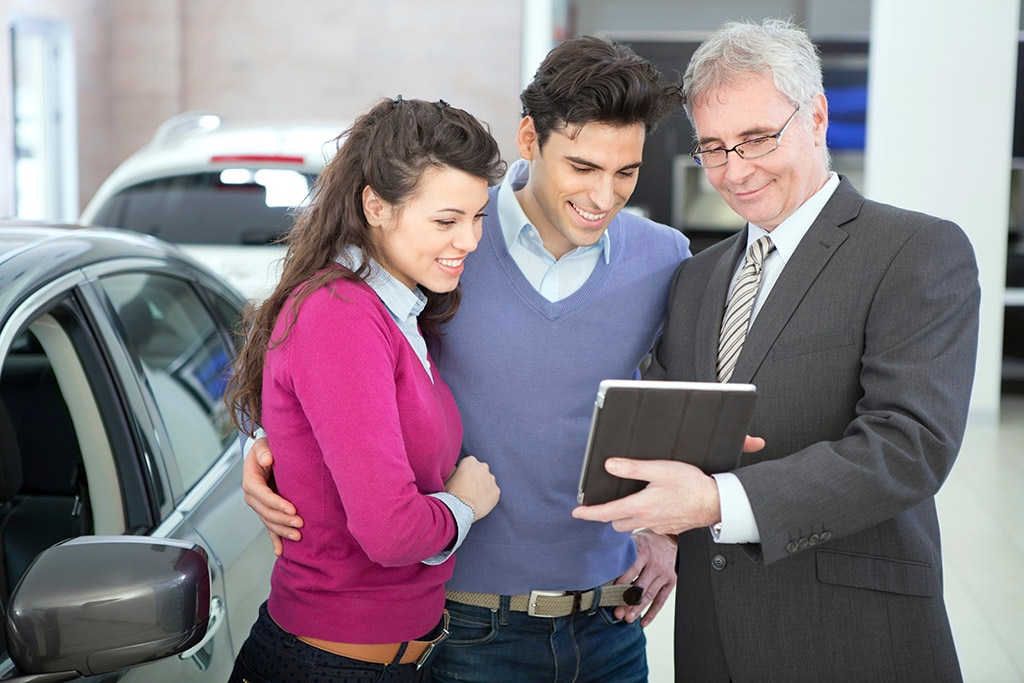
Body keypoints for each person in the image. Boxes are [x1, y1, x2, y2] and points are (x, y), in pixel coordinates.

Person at [243, 36, 693, 682]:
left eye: (626, 172)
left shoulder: (663, 259)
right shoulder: (439, 250)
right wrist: (264, 449)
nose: (604, 196)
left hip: (609, 625)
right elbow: (324, 364)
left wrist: (667, 532)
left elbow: (680, 408)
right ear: (531, 140)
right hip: (467, 628)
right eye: (584, 167)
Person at [572, 18, 979, 682]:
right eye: (714, 147)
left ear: (815, 116)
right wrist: (658, 526)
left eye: (757, 139)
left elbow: (909, 447)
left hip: (850, 634)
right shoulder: (697, 277)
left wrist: (714, 503)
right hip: (713, 637)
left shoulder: (914, 251)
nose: (735, 171)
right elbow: (677, 429)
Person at [224, 96, 505, 683]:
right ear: (376, 205)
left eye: (478, 217)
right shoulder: (339, 315)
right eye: (446, 220)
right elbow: (391, 533)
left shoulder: (396, 310)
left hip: (383, 661)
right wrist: (465, 505)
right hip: (329, 665)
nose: (470, 240)